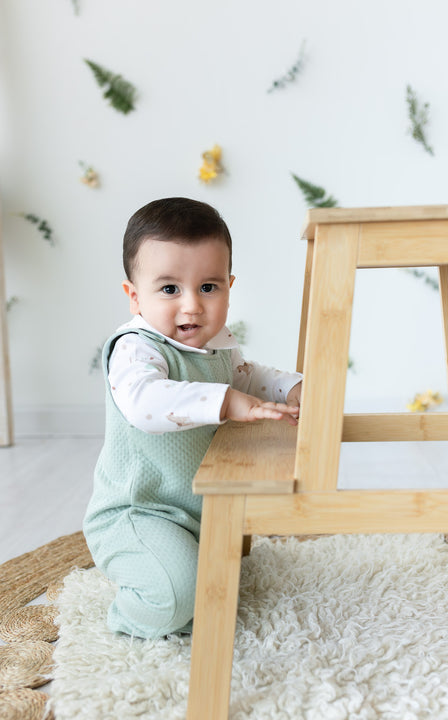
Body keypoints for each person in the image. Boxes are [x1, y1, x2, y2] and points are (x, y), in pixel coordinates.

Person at [83, 197, 303, 640]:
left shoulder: (217, 342)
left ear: (229, 285)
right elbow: (147, 402)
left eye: (208, 287)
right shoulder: (135, 348)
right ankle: (128, 618)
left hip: (196, 510)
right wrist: (229, 403)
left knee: (215, 583)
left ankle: (184, 573)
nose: (192, 307)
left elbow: (245, 375)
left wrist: (293, 387)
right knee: (177, 597)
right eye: (169, 289)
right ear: (134, 296)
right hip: (140, 512)